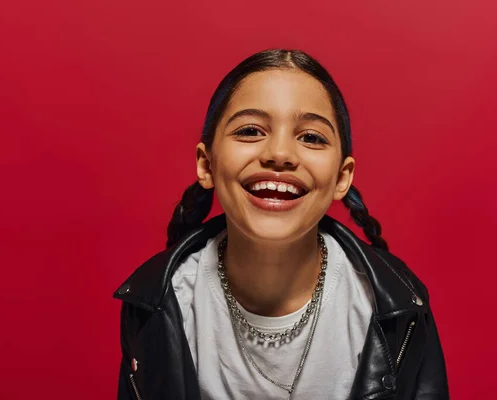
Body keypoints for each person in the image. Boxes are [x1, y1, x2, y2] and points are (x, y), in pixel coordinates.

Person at [114, 49, 449, 400]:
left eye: (311, 137)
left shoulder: (400, 308)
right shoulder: (157, 302)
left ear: (341, 177)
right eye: (250, 130)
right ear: (206, 164)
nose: (280, 153)